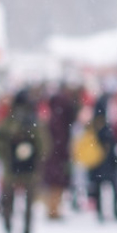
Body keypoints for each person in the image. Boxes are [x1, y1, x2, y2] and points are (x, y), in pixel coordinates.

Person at [0, 89, 49, 233]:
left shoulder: (11, 121)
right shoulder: (30, 121)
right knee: (23, 206)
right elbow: (44, 147)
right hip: (21, 169)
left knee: (10, 205)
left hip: (17, 170)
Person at [41, 86, 77, 219]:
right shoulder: (60, 121)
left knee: (54, 184)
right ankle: (53, 210)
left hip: (53, 157)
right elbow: (59, 140)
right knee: (56, 184)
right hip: (57, 157)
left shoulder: (53, 118)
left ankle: (53, 209)